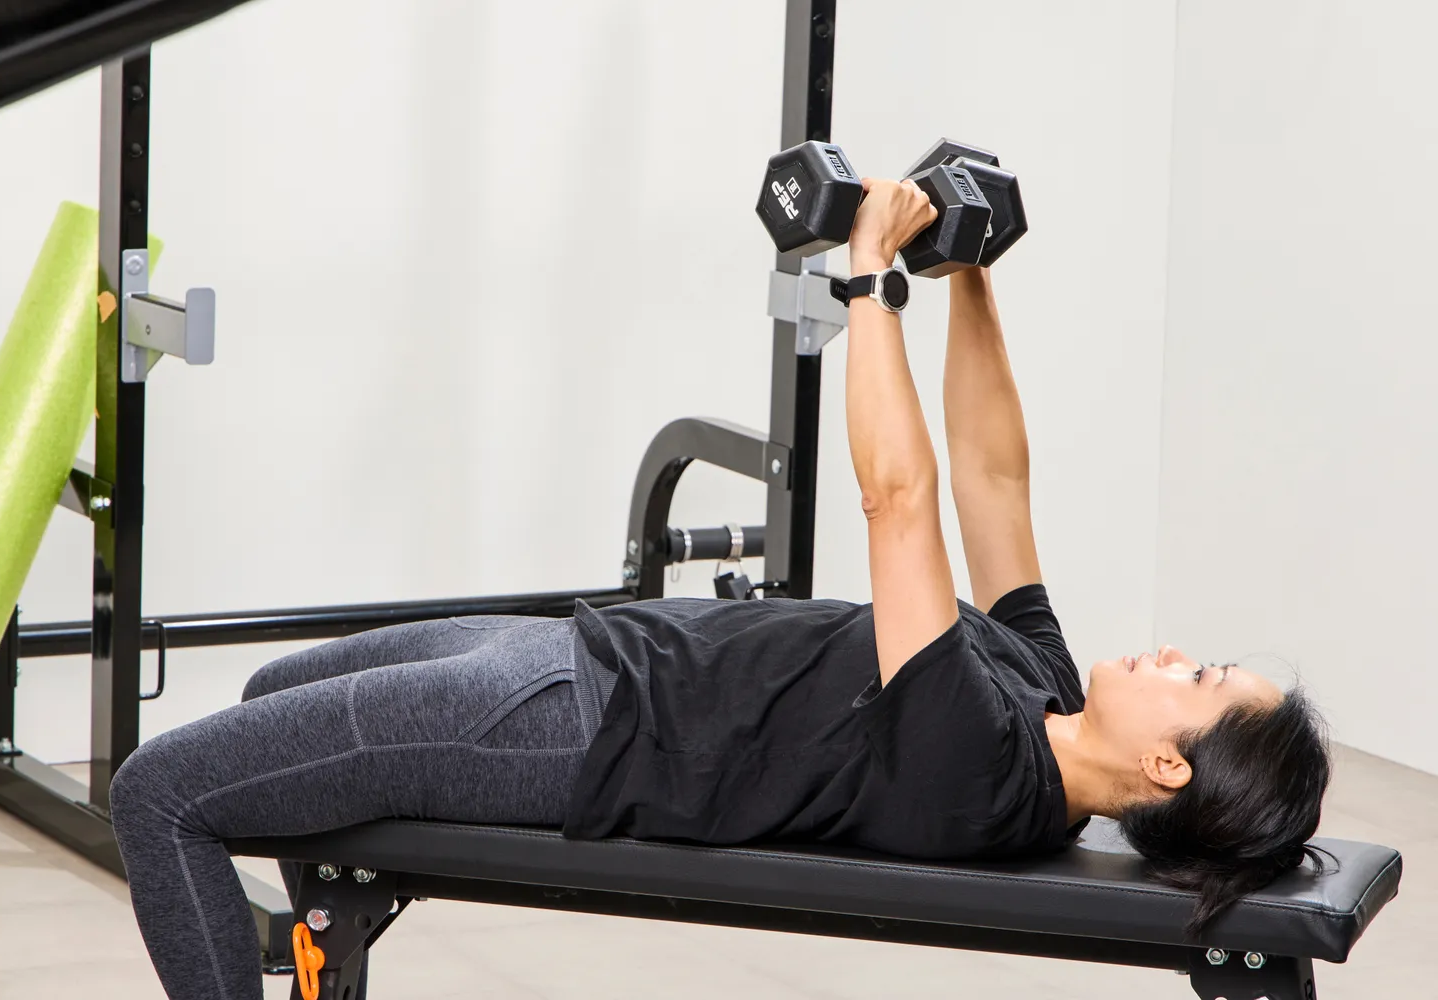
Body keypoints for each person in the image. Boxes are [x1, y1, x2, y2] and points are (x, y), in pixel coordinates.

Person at [109, 178, 1331, 1000]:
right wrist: (970, 274)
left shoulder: (981, 763)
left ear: (1167, 766)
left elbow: (898, 503)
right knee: (272, 705)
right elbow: (990, 475)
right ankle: (290, 955)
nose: (1178, 654)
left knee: (162, 792)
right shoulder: (1046, 691)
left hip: (565, 726)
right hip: (581, 653)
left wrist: (869, 283)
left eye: (1201, 680)